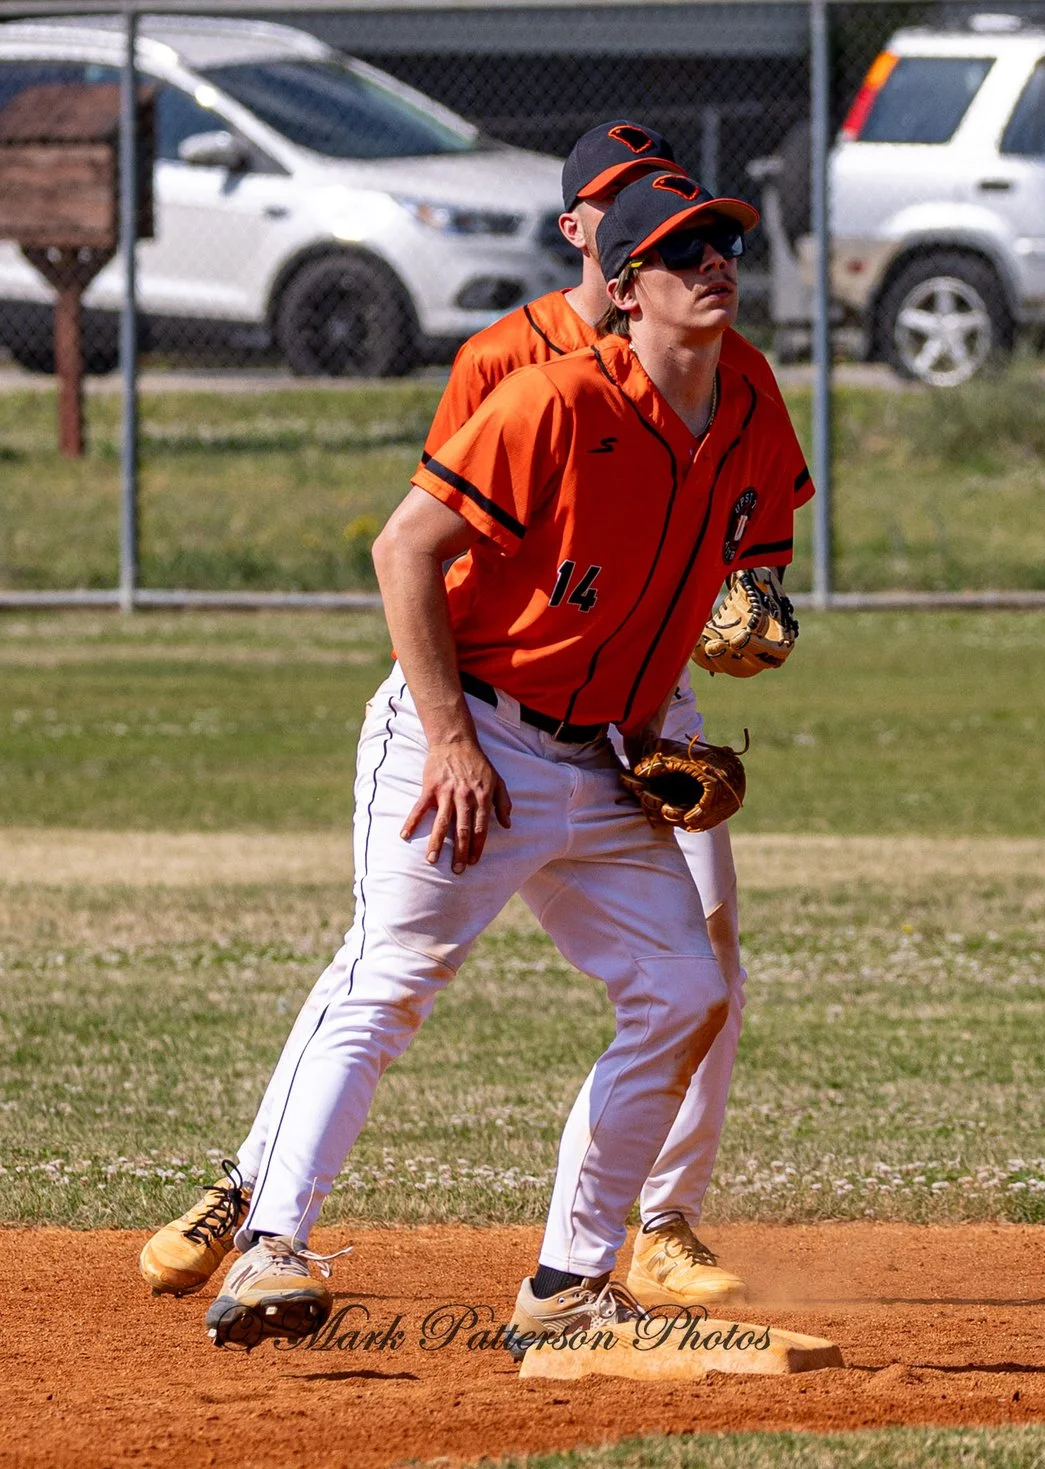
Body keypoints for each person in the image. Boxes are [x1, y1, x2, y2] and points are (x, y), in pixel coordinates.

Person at [141, 121, 765, 1315]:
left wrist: (659, 731)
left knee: (689, 985)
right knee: (388, 982)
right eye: (683, 248)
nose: (713, 263)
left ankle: (575, 1280)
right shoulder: (539, 391)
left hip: (605, 756)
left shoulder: (735, 400)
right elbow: (408, 551)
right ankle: (270, 1235)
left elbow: (692, 588)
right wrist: (448, 738)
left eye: (720, 242)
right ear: (619, 277)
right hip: (475, 730)